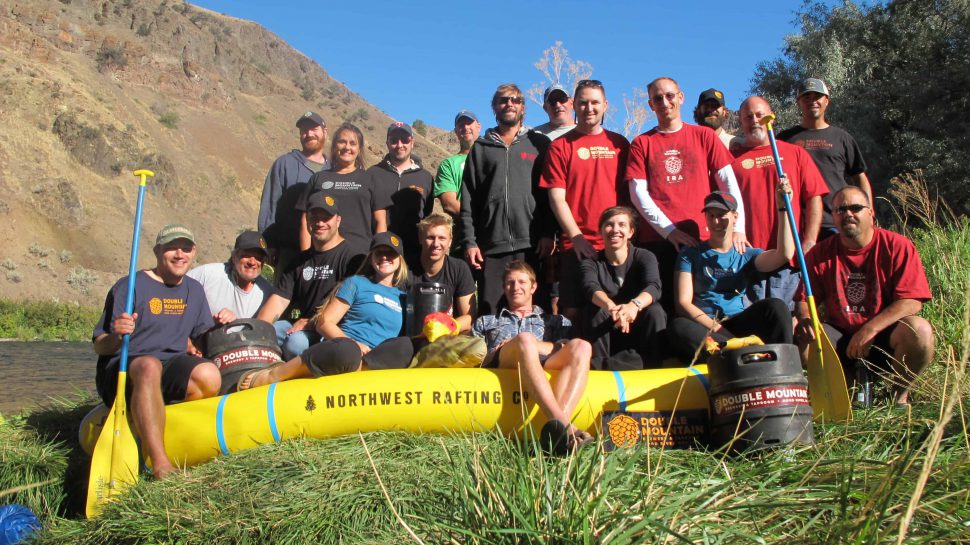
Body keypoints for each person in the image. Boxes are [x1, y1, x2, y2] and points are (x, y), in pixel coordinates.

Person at [93, 224, 220, 479]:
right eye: (172, 248)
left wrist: (224, 322)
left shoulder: (194, 290)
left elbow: (203, 337)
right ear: (157, 251)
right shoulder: (129, 285)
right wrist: (117, 335)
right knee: (149, 365)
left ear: (193, 252)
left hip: (170, 363)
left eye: (186, 248)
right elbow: (99, 344)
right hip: (125, 368)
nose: (179, 254)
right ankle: (160, 463)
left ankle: (168, 430)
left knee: (208, 374)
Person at [795, 186, 934, 405]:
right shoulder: (820, 254)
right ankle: (844, 393)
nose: (848, 214)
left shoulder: (898, 246)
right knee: (799, 330)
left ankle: (898, 396)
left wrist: (870, 329)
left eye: (855, 208)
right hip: (839, 338)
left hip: (884, 337)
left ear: (871, 213)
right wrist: (806, 319)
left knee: (920, 331)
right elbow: (803, 299)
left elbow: (911, 302)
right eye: (840, 210)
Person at [625, 77, 748, 313]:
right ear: (651, 105)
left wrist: (738, 226)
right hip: (659, 241)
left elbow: (728, 183)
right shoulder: (642, 143)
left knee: (706, 305)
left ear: (681, 98)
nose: (665, 102)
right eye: (657, 98)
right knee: (664, 308)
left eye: (670, 96)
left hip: (703, 237)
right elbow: (637, 193)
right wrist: (670, 232)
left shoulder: (705, 136)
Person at [239, 232, 415, 389]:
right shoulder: (357, 283)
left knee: (405, 346)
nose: (384, 257)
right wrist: (354, 343)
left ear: (400, 260)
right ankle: (274, 375)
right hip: (344, 349)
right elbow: (324, 322)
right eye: (379, 253)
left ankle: (360, 372)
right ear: (371, 257)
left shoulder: (403, 297)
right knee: (348, 351)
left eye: (390, 253)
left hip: (374, 360)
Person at [472, 261, 593, 452]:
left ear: (533, 286)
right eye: (510, 283)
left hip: (543, 361)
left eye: (522, 282)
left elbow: (564, 347)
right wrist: (507, 348)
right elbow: (472, 359)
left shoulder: (556, 321)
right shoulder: (487, 321)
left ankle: (558, 434)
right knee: (525, 340)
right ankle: (565, 425)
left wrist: (534, 345)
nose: (515, 287)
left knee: (582, 346)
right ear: (504, 288)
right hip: (503, 361)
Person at [667, 187, 796, 365]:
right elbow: (683, 304)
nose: (716, 221)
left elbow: (784, 254)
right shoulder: (690, 254)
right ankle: (737, 356)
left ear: (735, 217)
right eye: (711, 216)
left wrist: (783, 209)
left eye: (721, 215)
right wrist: (724, 334)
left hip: (737, 322)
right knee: (678, 327)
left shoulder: (745, 254)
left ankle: (785, 366)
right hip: (707, 328)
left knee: (776, 307)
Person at [458, 83, 553, 316]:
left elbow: (550, 193)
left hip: (532, 244)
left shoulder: (539, 144)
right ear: (494, 107)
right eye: (503, 100)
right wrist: (470, 241)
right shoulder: (481, 148)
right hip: (491, 246)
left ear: (523, 107)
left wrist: (549, 233)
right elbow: (468, 198)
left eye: (515, 100)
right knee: (491, 313)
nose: (509, 104)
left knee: (536, 312)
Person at [540, 79, 629, 320]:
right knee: (574, 313)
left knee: (616, 311)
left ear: (605, 105)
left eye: (595, 102)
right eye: (583, 103)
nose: (589, 108)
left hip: (616, 243)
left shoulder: (620, 144)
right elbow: (557, 198)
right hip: (577, 246)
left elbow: (629, 197)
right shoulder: (560, 146)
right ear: (574, 105)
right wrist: (576, 237)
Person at [731, 96, 827, 307]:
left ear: (771, 118)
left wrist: (810, 240)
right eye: (748, 117)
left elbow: (814, 197)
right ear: (741, 122)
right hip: (748, 259)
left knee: (788, 326)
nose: (754, 120)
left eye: (760, 115)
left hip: (789, 259)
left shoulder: (794, 153)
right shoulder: (731, 160)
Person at [257, 192, 364, 359]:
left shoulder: (353, 258)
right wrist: (258, 330)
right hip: (301, 325)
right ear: (307, 221)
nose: (319, 223)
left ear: (338, 220)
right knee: (268, 333)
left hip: (332, 330)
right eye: (314, 217)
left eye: (326, 217)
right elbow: (279, 300)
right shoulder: (298, 261)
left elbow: (352, 308)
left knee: (295, 344)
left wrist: (313, 322)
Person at [778, 78, 873, 240]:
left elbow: (860, 176)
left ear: (826, 101)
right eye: (806, 97)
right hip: (797, 223)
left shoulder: (842, 138)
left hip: (836, 222)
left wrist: (868, 212)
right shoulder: (784, 139)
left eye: (817, 96)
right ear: (799, 102)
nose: (812, 101)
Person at [580, 206, 666, 367]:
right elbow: (590, 287)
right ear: (600, 231)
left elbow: (654, 286)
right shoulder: (591, 262)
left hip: (637, 325)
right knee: (593, 310)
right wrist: (611, 307)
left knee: (655, 311)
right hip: (608, 328)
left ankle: (650, 364)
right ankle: (604, 368)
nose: (615, 230)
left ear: (631, 232)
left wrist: (634, 306)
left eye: (621, 225)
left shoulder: (645, 256)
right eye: (609, 224)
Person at [296, 123, 391, 256]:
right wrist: (304, 257)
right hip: (321, 255)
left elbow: (380, 222)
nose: (347, 147)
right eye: (342, 142)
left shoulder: (371, 179)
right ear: (335, 146)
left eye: (353, 143)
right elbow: (305, 219)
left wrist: (378, 255)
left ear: (359, 149)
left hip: (360, 256)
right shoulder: (318, 178)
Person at [258, 112, 329, 277]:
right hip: (289, 250)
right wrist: (269, 244)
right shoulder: (285, 163)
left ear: (325, 132)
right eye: (304, 130)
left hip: (326, 252)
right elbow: (270, 204)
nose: (309, 134)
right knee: (285, 300)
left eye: (314, 129)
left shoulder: (334, 169)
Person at [368, 122, 434, 269]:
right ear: (387, 143)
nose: (399, 145)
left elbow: (426, 215)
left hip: (414, 256)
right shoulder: (372, 174)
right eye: (394, 140)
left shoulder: (425, 177)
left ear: (412, 143)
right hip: (380, 255)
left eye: (405, 140)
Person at [187, 230, 272, 325]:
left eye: (258, 257)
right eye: (247, 255)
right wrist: (210, 321)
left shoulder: (267, 293)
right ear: (234, 257)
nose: (252, 262)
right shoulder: (207, 275)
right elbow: (177, 292)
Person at [412, 214, 476, 332]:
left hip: (447, 337)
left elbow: (469, 318)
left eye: (442, 238)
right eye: (430, 237)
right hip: (411, 335)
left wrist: (446, 327)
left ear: (450, 241)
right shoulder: (406, 268)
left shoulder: (459, 268)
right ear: (420, 238)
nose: (436, 244)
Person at [434, 110, 481, 218]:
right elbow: (449, 204)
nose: (465, 127)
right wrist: (480, 219)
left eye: (469, 123)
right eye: (461, 125)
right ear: (456, 131)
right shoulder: (448, 165)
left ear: (478, 126)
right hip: (464, 230)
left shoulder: (495, 156)